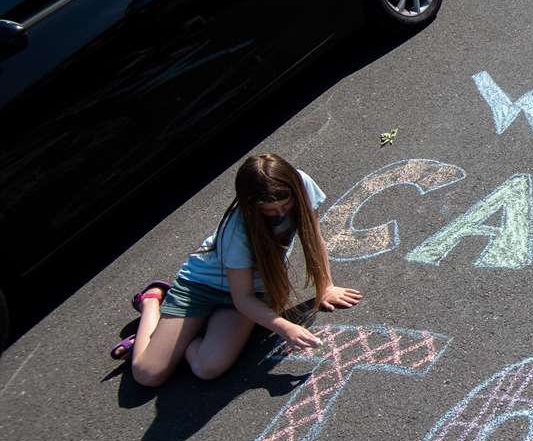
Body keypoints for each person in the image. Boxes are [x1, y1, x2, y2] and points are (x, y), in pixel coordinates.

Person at [111, 154, 362, 386]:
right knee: (147, 374)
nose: (282, 213)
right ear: (252, 207)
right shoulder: (237, 231)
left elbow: (312, 235)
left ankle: (175, 338)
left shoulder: (300, 183)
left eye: (285, 206)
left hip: (244, 295)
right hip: (201, 287)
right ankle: (152, 302)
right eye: (271, 211)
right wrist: (286, 328)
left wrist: (326, 285)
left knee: (206, 368)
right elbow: (243, 297)